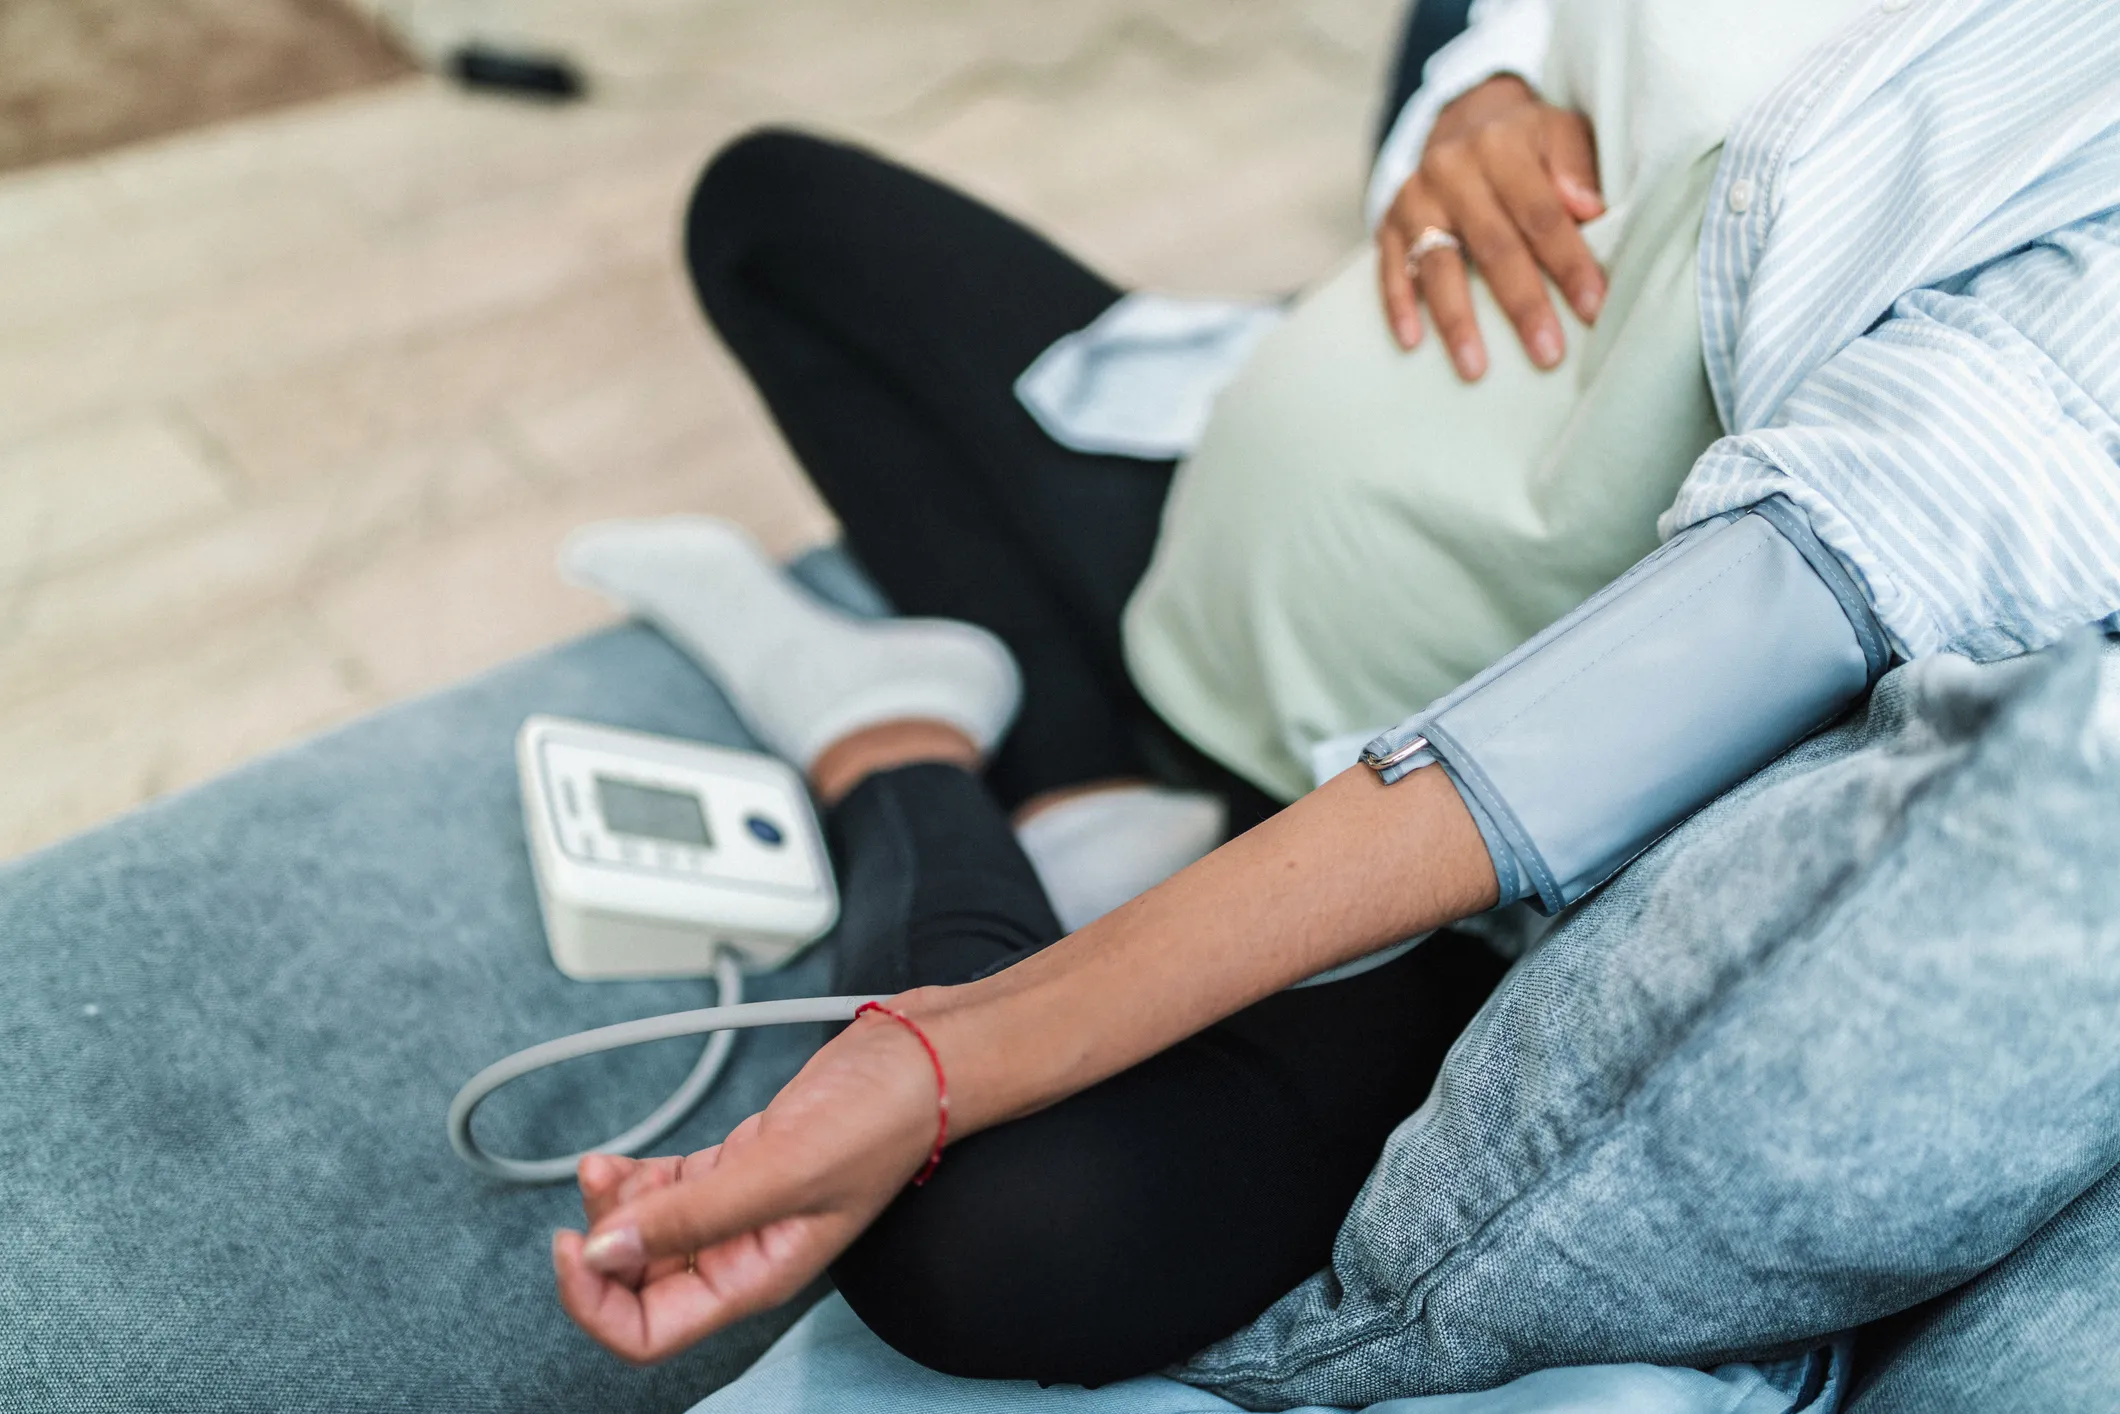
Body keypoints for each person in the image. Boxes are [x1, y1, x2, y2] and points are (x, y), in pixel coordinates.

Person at [549, 0, 2120, 1397]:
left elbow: (1726, 646)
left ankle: (888, 736)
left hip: (1430, 863)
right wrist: (1474, 107)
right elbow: (1515, 30)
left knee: (975, 1232)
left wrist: (959, 1046)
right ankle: (1082, 778)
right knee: (772, 213)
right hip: (1215, 531)